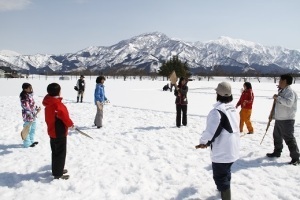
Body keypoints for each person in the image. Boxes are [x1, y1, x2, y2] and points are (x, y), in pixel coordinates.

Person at [195, 82, 240, 200]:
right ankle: (222, 192)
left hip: (223, 151)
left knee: (220, 176)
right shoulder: (232, 108)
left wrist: (203, 142)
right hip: (233, 148)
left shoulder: (217, 111)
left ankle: (225, 196)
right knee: (226, 172)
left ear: (218, 94)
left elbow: (211, 131)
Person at [42, 83, 74, 180]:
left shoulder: (49, 102)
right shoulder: (57, 104)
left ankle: (56, 169)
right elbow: (65, 117)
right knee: (60, 153)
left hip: (52, 131)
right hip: (59, 131)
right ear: (58, 91)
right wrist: (71, 124)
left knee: (55, 152)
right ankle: (58, 173)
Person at [266, 74, 300, 165]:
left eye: (281, 80)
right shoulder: (282, 91)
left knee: (289, 138)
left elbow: (288, 103)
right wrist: (272, 116)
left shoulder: (290, 92)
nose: (279, 82)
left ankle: (296, 158)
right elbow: (277, 105)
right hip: (279, 119)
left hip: (287, 119)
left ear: (285, 82)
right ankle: (277, 152)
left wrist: (278, 97)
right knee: (277, 136)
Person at [20, 83, 41, 148]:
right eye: (29, 88)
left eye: (31, 87)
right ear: (25, 89)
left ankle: (31, 141)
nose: (31, 89)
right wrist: (32, 114)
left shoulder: (29, 95)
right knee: (27, 129)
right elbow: (26, 107)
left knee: (33, 129)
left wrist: (36, 108)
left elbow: (32, 105)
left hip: (33, 114)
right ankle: (27, 143)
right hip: (28, 115)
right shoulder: (24, 96)